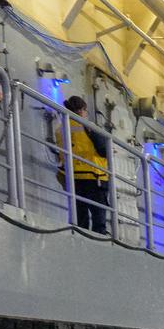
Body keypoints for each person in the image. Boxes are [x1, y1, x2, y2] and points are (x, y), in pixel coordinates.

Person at [61, 95, 110, 235]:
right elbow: (103, 151)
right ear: (82, 110)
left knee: (80, 219)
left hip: (73, 177)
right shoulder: (88, 127)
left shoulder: (61, 128)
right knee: (98, 220)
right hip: (95, 177)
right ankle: (99, 243)